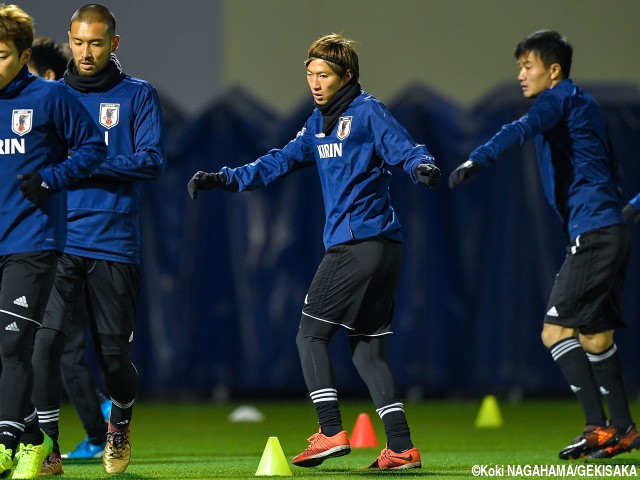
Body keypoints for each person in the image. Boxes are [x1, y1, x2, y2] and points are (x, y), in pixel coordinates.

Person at [188, 33, 439, 470]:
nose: (315, 83)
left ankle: (329, 432)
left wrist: (422, 167)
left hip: (357, 245)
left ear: (347, 76)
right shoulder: (317, 123)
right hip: (381, 249)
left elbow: (407, 149)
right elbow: (277, 161)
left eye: (324, 75)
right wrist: (223, 178)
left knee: (309, 336)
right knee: (366, 351)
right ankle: (401, 446)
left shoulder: (367, 112)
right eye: (310, 75)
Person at [449, 30, 638, 460]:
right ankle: (624, 429)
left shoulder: (556, 99)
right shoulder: (585, 104)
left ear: (553, 71)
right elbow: (608, 162)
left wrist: (478, 158)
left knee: (555, 332)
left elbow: (521, 128)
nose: (521, 74)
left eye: (527, 66)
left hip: (592, 235)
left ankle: (597, 428)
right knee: (595, 338)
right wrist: (622, 211)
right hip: (608, 231)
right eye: (519, 66)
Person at [30, 4, 165, 476]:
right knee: (42, 348)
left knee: (113, 358)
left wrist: (85, 163)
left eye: (97, 43)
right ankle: (46, 443)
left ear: (114, 44)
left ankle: (119, 422)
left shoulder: (138, 95)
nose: (87, 53)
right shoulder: (47, 97)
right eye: (80, 42)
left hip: (114, 245)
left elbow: (151, 161)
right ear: (71, 39)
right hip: (57, 241)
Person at [0, 4, 106, 479]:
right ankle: (33, 438)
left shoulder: (49, 98)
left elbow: (93, 147)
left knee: (12, 348)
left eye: (1, 54)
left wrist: (50, 178)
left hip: (32, 241)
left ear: (23, 56)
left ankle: (4, 443)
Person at [27, 34, 114, 463]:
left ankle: (96, 428)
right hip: (58, 246)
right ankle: (96, 416)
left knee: (61, 349)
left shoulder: (57, 121)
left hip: (70, 247)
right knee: (54, 347)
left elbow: (100, 156)